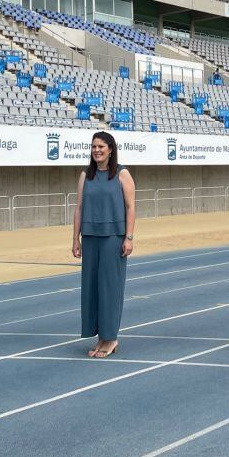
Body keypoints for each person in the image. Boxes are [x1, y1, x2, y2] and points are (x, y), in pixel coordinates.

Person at [73, 131, 136, 358]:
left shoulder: (122, 174)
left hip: (113, 238)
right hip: (90, 237)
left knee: (110, 288)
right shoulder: (85, 175)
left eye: (101, 146)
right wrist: (75, 239)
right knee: (92, 289)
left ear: (111, 149)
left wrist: (128, 237)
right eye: (93, 147)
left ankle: (111, 338)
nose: (96, 150)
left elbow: (130, 207)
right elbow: (79, 208)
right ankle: (101, 336)